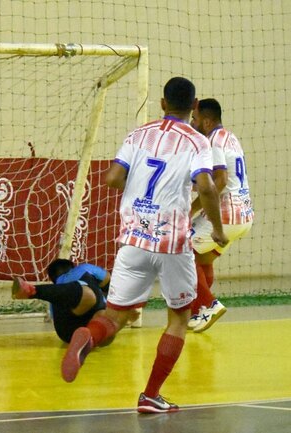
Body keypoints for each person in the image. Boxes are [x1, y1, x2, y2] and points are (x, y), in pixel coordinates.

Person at [61, 77, 228, 413]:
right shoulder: (197, 141)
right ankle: (150, 394)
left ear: (163, 104)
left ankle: (89, 337)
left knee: (114, 316)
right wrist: (218, 230)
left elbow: (112, 179)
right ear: (193, 106)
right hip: (172, 243)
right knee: (179, 318)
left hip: (134, 239)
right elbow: (207, 188)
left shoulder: (138, 134)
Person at [188, 98, 254, 332]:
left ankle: (208, 304)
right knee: (203, 259)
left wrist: (192, 209)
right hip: (244, 216)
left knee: (182, 251)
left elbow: (221, 180)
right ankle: (198, 314)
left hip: (227, 215)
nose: (192, 123)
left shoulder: (213, 141)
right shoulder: (230, 137)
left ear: (206, 121)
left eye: (195, 119)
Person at [12, 258, 127, 344]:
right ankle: (33, 291)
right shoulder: (83, 268)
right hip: (87, 309)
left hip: (66, 333)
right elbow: (108, 279)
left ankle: (91, 337)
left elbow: (56, 317)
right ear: (72, 267)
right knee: (96, 304)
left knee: (103, 315)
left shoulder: (56, 292)